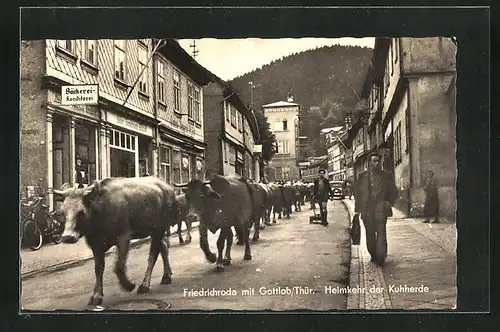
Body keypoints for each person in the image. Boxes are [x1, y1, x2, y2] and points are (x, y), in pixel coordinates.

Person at [354, 152, 398, 265]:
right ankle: (373, 254)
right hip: (367, 210)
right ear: (369, 163)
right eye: (374, 161)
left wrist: (389, 202)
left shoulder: (386, 176)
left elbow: (394, 191)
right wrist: (358, 210)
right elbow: (357, 193)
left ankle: (381, 256)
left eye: (378, 161)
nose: (376, 163)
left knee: (381, 233)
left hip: (381, 209)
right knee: (370, 234)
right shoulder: (362, 176)